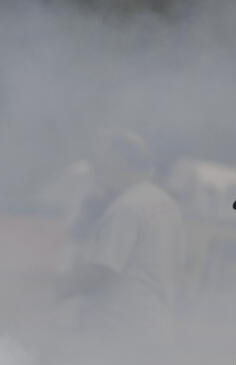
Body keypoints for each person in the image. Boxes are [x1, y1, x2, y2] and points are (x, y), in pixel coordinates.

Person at [63, 130, 184, 343]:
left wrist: (53, 291)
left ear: (121, 162)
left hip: (122, 331)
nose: (98, 172)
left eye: (103, 164)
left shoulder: (126, 207)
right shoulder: (165, 203)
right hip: (155, 328)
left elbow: (102, 271)